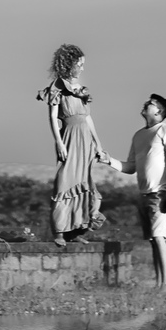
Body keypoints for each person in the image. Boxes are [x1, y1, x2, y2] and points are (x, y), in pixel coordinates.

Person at [37, 44, 118, 247]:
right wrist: (58, 142)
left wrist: (98, 144)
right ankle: (59, 231)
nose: (82, 68)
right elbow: (53, 116)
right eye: (79, 64)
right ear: (68, 64)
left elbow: (88, 118)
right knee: (65, 181)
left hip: (86, 140)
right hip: (70, 137)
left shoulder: (81, 90)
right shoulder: (58, 87)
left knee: (85, 182)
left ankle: (78, 229)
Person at [122, 93, 166, 289]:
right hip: (144, 194)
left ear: (158, 111)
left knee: (158, 237)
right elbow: (130, 167)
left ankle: (165, 285)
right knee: (153, 240)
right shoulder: (139, 135)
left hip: (161, 193)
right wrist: (106, 160)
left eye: (150, 104)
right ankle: (159, 283)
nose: (146, 105)